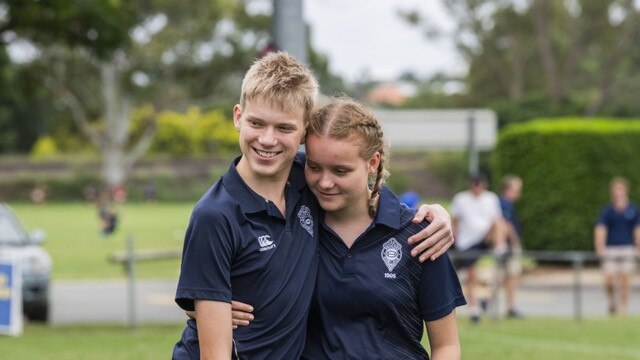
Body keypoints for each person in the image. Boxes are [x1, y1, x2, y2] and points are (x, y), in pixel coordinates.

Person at [172, 52, 454, 360]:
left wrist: (436, 214)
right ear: (238, 116)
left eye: (284, 128)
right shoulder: (215, 215)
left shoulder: (309, 179)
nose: (268, 139)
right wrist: (206, 307)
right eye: (256, 123)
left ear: (304, 132)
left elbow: (361, 185)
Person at [300, 98, 466, 359]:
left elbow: (446, 345)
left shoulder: (420, 234)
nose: (325, 182)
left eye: (341, 170)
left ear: (372, 163)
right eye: (314, 167)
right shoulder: (293, 225)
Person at [451, 174, 506, 323]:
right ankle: (474, 308)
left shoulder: (490, 198)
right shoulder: (461, 199)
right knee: (472, 275)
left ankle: (500, 246)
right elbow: (455, 220)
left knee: (495, 274)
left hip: (485, 239)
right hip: (467, 242)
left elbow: (497, 219)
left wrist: (496, 240)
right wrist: (454, 239)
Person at [594, 177, 640, 316]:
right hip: (611, 249)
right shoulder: (607, 211)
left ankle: (623, 309)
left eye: (620, 189)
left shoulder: (632, 209)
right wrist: (599, 246)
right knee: (608, 279)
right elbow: (600, 228)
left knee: (626, 278)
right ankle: (613, 302)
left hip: (627, 248)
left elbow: (637, 229)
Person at [499, 175, 524, 318]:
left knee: (505, 276)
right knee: (512, 275)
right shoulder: (505, 203)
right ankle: (511, 307)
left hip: (506, 245)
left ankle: (490, 301)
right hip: (508, 245)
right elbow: (506, 224)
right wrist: (515, 242)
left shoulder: (505, 203)